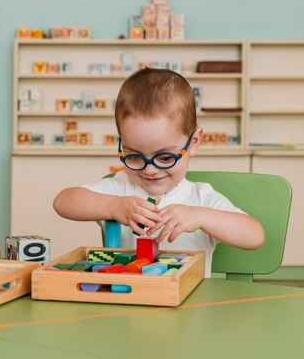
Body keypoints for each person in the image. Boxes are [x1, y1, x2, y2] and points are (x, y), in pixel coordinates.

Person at [53, 68, 264, 276]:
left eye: (165, 158)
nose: (150, 169)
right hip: (131, 301)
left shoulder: (199, 198)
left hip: (192, 306)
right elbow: (63, 202)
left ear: (194, 142)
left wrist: (201, 217)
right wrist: (113, 206)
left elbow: (254, 235)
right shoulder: (120, 189)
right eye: (134, 156)